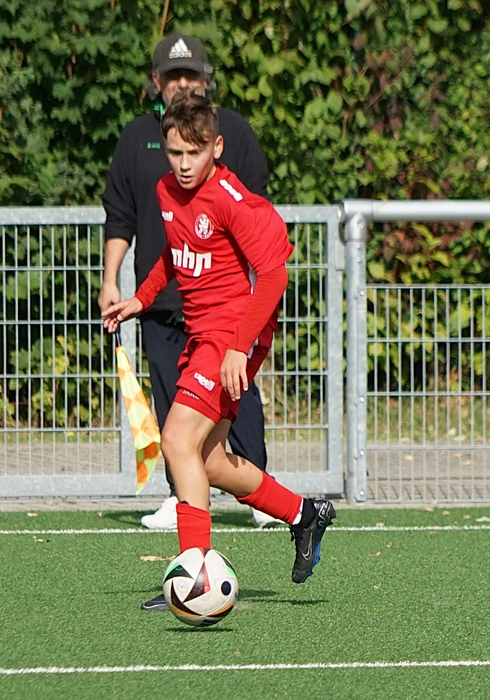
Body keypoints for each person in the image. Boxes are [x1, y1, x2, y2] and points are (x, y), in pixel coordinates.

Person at [102, 89, 337, 602]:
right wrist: (141, 299)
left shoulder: (230, 200)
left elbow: (273, 276)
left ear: (217, 147)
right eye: (174, 152)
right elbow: (175, 255)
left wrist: (238, 347)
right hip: (202, 333)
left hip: (232, 335)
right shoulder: (166, 191)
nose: (184, 164)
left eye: (195, 152)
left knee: (175, 440)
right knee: (207, 461)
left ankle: (194, 574)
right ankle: (304, 514)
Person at [100, 32, 282, 538]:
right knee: (185, 430)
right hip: (166, 305)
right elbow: (126, 220)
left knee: (210, 418)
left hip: (226, 313)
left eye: (191, 74)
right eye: (172, 75)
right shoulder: (140, 142)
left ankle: (215, 538)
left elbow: (260, 238)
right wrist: (124, 289)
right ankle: (293, 511)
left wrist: (243, 337)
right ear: (155, 82)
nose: (183, 162)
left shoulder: (234, 138)